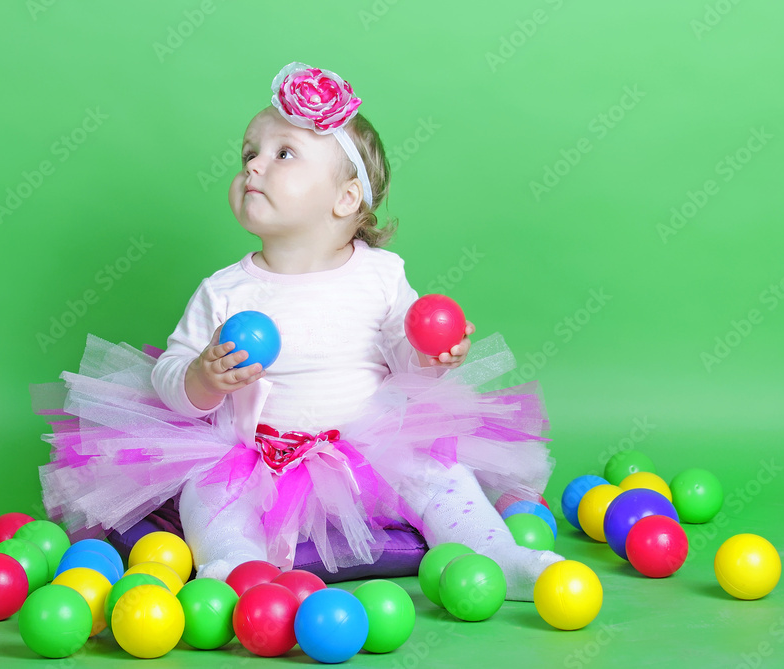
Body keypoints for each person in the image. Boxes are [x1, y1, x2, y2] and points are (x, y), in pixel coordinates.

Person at [34, 62, 562, 600]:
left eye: (283, 153)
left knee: (439, 474)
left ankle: (497, 556)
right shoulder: (224, 291)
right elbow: (170, 377)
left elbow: (404, 358)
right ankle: (235, 571)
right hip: (256, 457)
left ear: (346, 198)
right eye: (249, 154)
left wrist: (430, 354)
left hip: (369, 453)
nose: (254, 167)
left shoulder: (381, 275)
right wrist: (201, 378)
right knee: (208, 492)